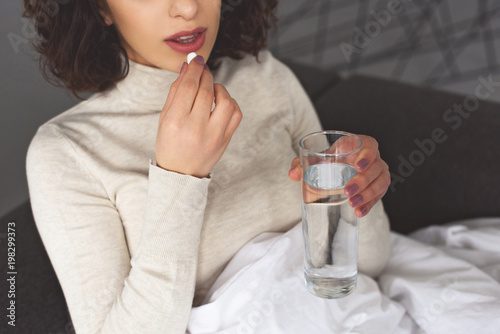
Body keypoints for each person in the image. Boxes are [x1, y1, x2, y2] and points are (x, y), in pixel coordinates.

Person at [24, 0, 391, 333]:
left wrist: (357, 195)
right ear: (100, 8)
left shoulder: (264, 75)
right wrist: (179, 179)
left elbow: (369, 267)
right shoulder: (66, 152)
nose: (187, 8)